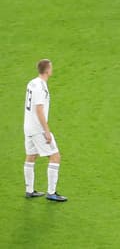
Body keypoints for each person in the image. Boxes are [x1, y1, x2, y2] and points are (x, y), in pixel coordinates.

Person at [24, 59, 66, 202]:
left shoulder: (32, 83)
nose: (52, 70)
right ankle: (51, 193)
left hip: (28, 127)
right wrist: (46, 131)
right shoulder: (41, 87)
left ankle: (29, 190)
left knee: (31, 155)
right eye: (51, 68)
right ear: (47, 70)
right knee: (55, 156)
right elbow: (39, 110)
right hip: (37, 129)